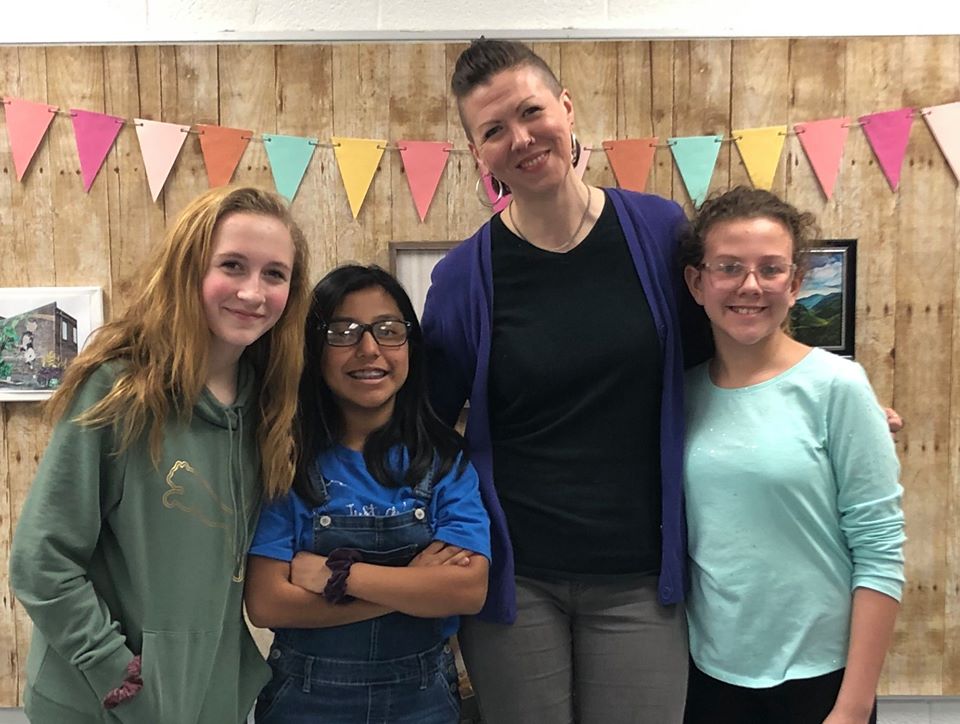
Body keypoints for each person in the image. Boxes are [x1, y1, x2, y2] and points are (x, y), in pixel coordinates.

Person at [420, 38, 712, 724]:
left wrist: (815, 393)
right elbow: (423, 422)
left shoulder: (660, 232)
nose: (521, 138)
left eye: (531, 112)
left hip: (641, 574)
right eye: (494, 130)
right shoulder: (464, 279)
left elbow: (724, 354)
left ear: (568, 108)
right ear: (477, 151)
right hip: (517, 581)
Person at [9, 185, 311, 724]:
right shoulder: (120, 389)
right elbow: (41, 563)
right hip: (101, 703)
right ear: (188, 269)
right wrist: (116, 674)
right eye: (233, 265)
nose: (252, 291)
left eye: (274, 274)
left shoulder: (267, 405)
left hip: (206, 698)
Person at [678, 187, 905, 724]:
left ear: (797, 282)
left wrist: (853, 706)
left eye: (771, 269)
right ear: (697, 282)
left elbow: (879, 551)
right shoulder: (680, 396)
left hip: (818, 681)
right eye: (729, 267)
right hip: (708, 674)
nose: (750, 286)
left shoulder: (837, 387)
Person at [243, 264, 491, 724]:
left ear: (411, 347)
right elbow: (267, 602)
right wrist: (413, 587)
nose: (370, 349)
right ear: (314, 349)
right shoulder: (287, 459)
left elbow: (467, 589)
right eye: (344, 332)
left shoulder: (443, 460)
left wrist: (336, 576)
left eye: (389, 330)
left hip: (423, 700)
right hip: (306, 700)